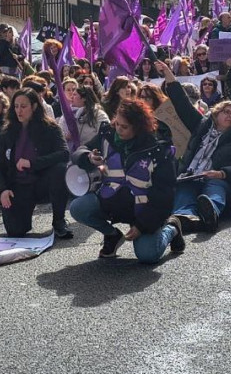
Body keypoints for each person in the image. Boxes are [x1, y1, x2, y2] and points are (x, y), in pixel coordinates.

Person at [69, 97, 183, 262]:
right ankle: (112, 235)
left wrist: (142, 226)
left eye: (124, 127)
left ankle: (172, 228)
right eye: (117, 124)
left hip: (144, 209)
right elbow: (80, 151)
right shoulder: (108, 133)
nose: (118, 130)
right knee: (78, 208)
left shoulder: (159, 149)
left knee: (148, 255)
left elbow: (165, 195)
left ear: (138, 128)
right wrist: (89, 157)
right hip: (111, 200)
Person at [0, 88, 72, 239]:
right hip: (18, 186)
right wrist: (2, 190)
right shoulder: (7, 132)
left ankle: (59, 221)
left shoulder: (51, 128)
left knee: (60, 169)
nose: (19, 111)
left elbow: (64, 154)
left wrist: (32, 163)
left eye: (23, 106)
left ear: (34, 106)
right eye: (16, 106)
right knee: (15, 231)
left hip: (41, 182)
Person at [171, 99, 231, 232]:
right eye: (226, 112)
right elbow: (182, 104)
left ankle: (211, 213)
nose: (230, 116)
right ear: (216, 114)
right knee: (185, 184)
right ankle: (186, 217)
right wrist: (170, 77)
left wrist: (222, 173)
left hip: (221, 183)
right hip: (192, 176)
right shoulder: (200, 128)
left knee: (214, 184)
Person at [58, 85, 109, 150]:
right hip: (71, 155)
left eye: (75, 95)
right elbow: (59, 135)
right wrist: (66, 137)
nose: (71, 97)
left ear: (84, 98)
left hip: (91, 152)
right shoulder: (67, 115)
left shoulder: (98, 114)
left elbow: (104, 133)